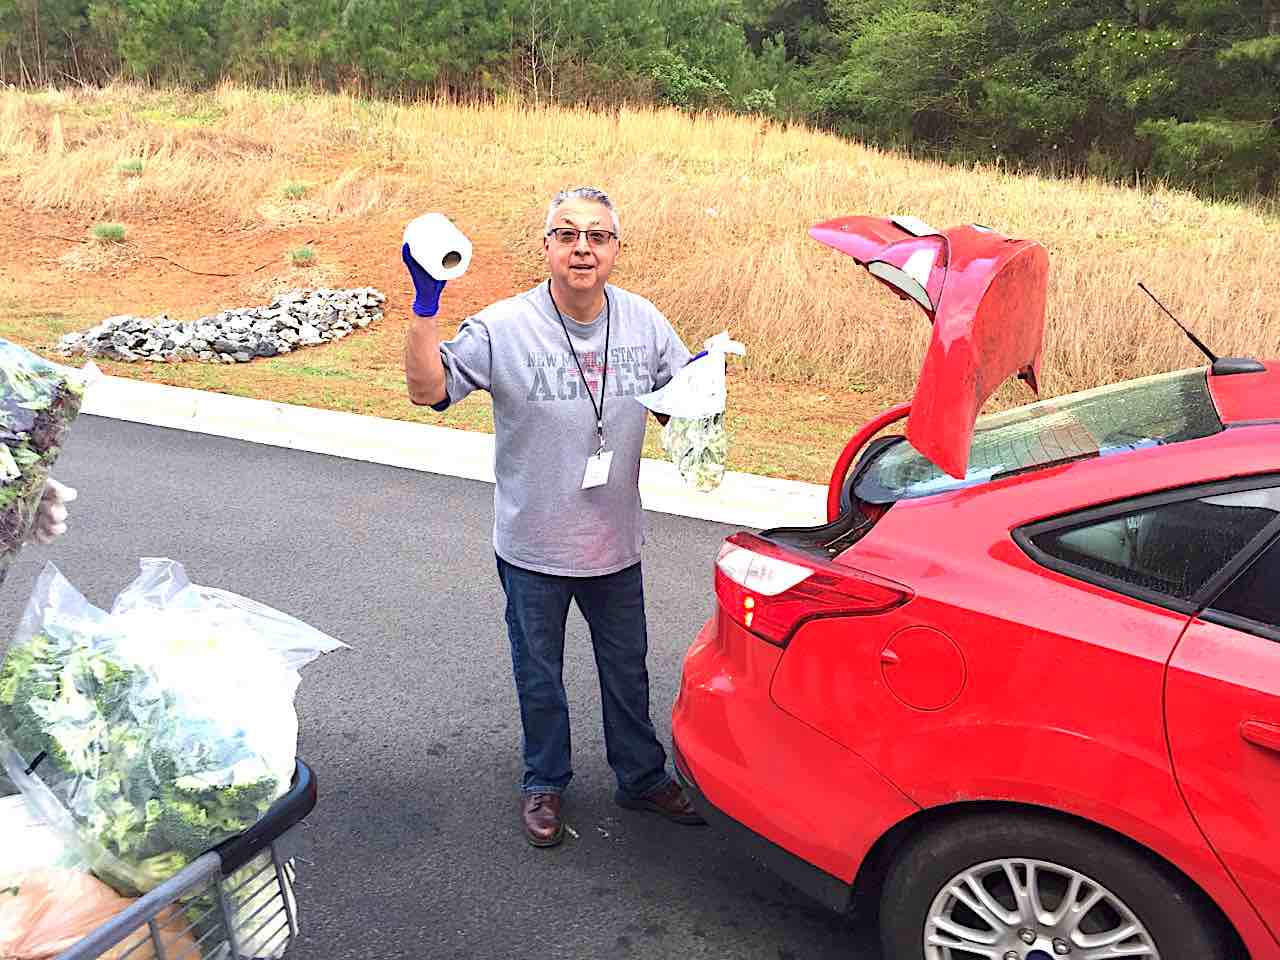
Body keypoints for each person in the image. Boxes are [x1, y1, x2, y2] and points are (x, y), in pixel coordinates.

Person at [402, 186, 706, 847]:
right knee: (538, 674)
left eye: (597, 236)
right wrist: (426, 308)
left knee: (628, 671)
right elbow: (429, 390)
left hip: (615, 544)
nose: (582, 248)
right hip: (532, 545)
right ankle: (545, 781)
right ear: (545, 247)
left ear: (616, 250)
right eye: (566, 235)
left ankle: (642, 777)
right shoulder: (505, 327)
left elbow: (680, 408)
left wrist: (702, 388)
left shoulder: (646, 323)